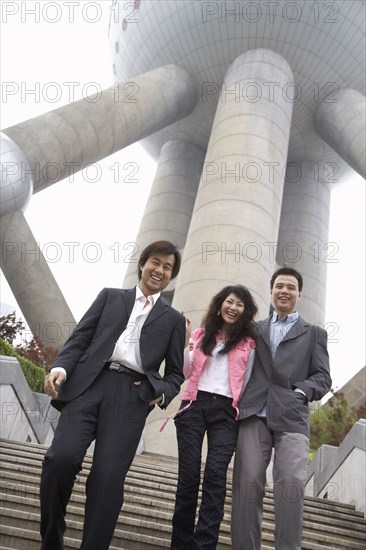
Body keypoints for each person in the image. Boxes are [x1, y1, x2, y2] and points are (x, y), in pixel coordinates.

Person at [40, 240, 186, 550]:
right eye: (155, 262)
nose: (159, 270)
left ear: (171, 276)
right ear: (142, 264)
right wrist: (61, 370)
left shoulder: (173, 320)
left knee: (107, 480)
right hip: (88, 386)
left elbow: (175, 373)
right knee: (59, 460)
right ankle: (51, 540)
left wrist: (157, 394)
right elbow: (79, 340)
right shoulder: (110, 297)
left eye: (167, 267)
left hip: (131, 397)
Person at [231, 267, 332, 550]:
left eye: (290, 287)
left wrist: (300, 392)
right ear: (271, 290)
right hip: (254, 413)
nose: (284, 291)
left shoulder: (314, 334)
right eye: (279, 286)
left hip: (292, 416)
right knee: (247, 485)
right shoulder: (253, 329)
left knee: (290, 485)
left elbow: (323, 377)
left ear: (299, 294)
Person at [170, 285, 258, 550]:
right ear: (220, 305)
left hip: (227, 413)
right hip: (194, 406)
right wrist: (186, 343)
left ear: (245, 311)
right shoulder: (201, 334)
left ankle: (204, 544)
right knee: (188, 477)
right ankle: (180, 543)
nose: (233, 307)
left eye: (239, 304)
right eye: (229, 302)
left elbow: (252, 380)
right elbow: (185, 372)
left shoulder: (249, 344)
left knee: (216, 475)